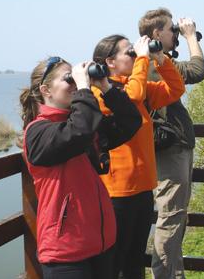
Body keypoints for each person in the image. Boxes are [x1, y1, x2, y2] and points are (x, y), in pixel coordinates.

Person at [19, 57, 142, 279]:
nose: (75, 84)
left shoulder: (83, 125)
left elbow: (130, 122)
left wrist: (105, 86)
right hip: (66, 253)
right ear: (46, 90)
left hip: (101, 244)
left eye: (75, 78)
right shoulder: (37, 132)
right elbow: (79, 131)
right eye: (69, 79)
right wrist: (84, 88)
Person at [92, 34, 185, 279]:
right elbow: (130, 97)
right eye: (130, 53)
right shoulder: (98, 91)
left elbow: (176, 88)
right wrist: (143, 60)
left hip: (143, 188)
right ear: (110, 62)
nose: (135, 56)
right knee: (116, 262)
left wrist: (161, 60)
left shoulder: (138, 87)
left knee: (135, 260)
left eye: (136, 52)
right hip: (117, 191)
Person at [138, 8, 204, 279]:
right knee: (171, 215)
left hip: (168, 147)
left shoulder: (153, 61)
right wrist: (191, 36)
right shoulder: (155, 61)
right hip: (170, 150)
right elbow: (197, 70)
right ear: (156, 34)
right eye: (171, 30)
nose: (174, 34)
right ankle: (166, 275)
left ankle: (172, 274)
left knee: (174, 216)